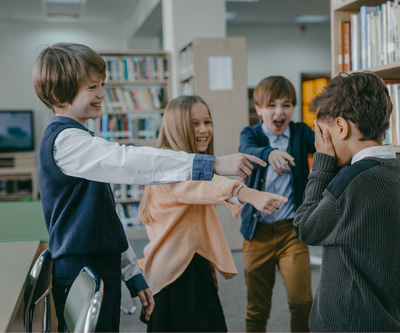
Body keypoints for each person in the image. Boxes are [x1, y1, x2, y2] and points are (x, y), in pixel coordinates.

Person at [32, 43, 266, 332]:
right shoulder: (66, 142)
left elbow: (106, 220)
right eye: (92, 87)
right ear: (58, 94)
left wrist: (132, 274)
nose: (102, 94)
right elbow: (130, 161)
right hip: (83, 271)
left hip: (99, 268)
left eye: (102, 85)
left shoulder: (80, 139)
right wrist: (212, 163)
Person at [137, 95, 287, 332]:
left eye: (207, 122)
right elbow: (203, 186)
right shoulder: (168, 168)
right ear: (177, 127)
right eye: (195, 123)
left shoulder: (181, 164)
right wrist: (249, 194)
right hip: (177, 275)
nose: (204, 129)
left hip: (189, 265)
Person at [293, 72, 400, 332]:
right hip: (388, 318)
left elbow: (306, 228)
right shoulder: (399, 169)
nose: (322, 143)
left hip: (349, 322)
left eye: (324, 134)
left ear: (341, 127)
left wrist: (321, 165)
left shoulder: (353, 180)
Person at [238, 76, 315, 332]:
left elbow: (325, 147)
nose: (279, 112)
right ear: (259, 109)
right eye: (271, 105)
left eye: (286, 105)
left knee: (302, 302)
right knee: (257, 309)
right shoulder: (252, 133)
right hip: (256, 233)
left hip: (291, 231)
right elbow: (247, 149)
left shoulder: (301, 132)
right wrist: (269, 153)